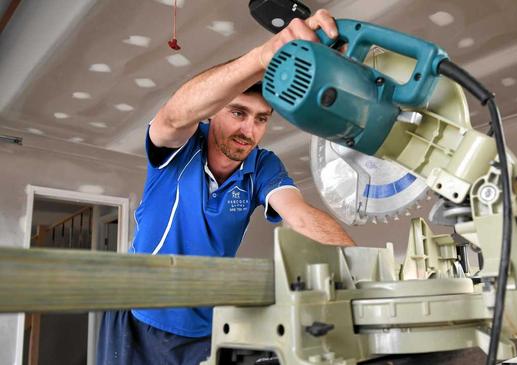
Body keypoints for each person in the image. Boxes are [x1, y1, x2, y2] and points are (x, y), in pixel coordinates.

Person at [97, 9, 353, 365]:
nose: (249, 130)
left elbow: (301, 216)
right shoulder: (181, 147)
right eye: (238, 113)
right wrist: (264, 56)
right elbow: (173, 116)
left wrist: (361, 275)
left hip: (207, 325)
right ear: (213, 111)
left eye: (261, 119)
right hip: (140, 315)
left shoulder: (263, 165)